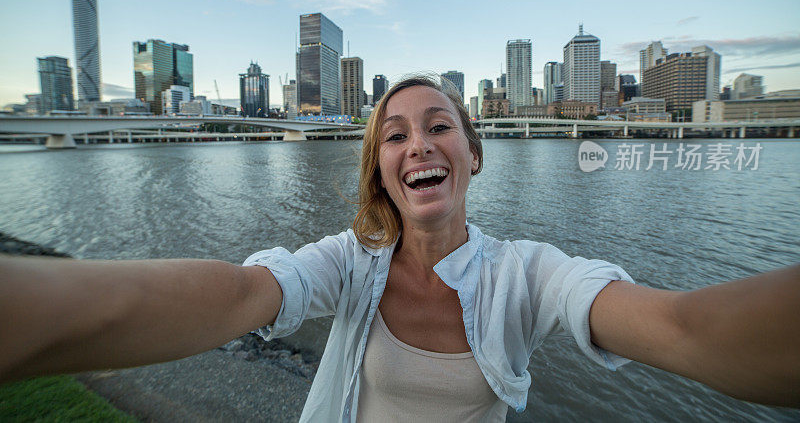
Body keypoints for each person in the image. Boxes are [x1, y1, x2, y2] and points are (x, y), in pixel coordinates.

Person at [0, 75, 798, 422]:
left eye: (439, 125)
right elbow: (243, 295)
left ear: (473, 153)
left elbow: (690, 331)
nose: (419, 143)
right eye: (396, 133)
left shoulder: (530, 274)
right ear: (381, 168)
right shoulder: (347, 262)